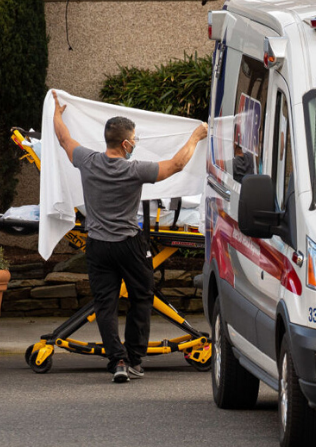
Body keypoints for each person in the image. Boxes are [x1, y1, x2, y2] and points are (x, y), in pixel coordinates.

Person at [52, 91, 208, 383]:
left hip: (97, 246)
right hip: (129, 245)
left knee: (105, 304)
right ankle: (135, 360)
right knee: (142, 297)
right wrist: (196, 137)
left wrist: (57, 113)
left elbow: (64, 139)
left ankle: (118, 361)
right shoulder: (134, 170)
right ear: (125, 144)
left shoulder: (87, 160)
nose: (135, 144)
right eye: (134, 140)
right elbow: (176, 165)